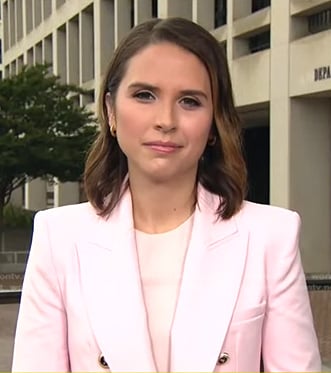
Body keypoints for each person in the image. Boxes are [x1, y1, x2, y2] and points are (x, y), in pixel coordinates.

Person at [12, 17, 321, 372]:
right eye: (145, 95)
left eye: (190, 101)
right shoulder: (59, 237)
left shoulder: (271, 236)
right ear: (111, 112)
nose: (166, 120)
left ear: (213, 124)